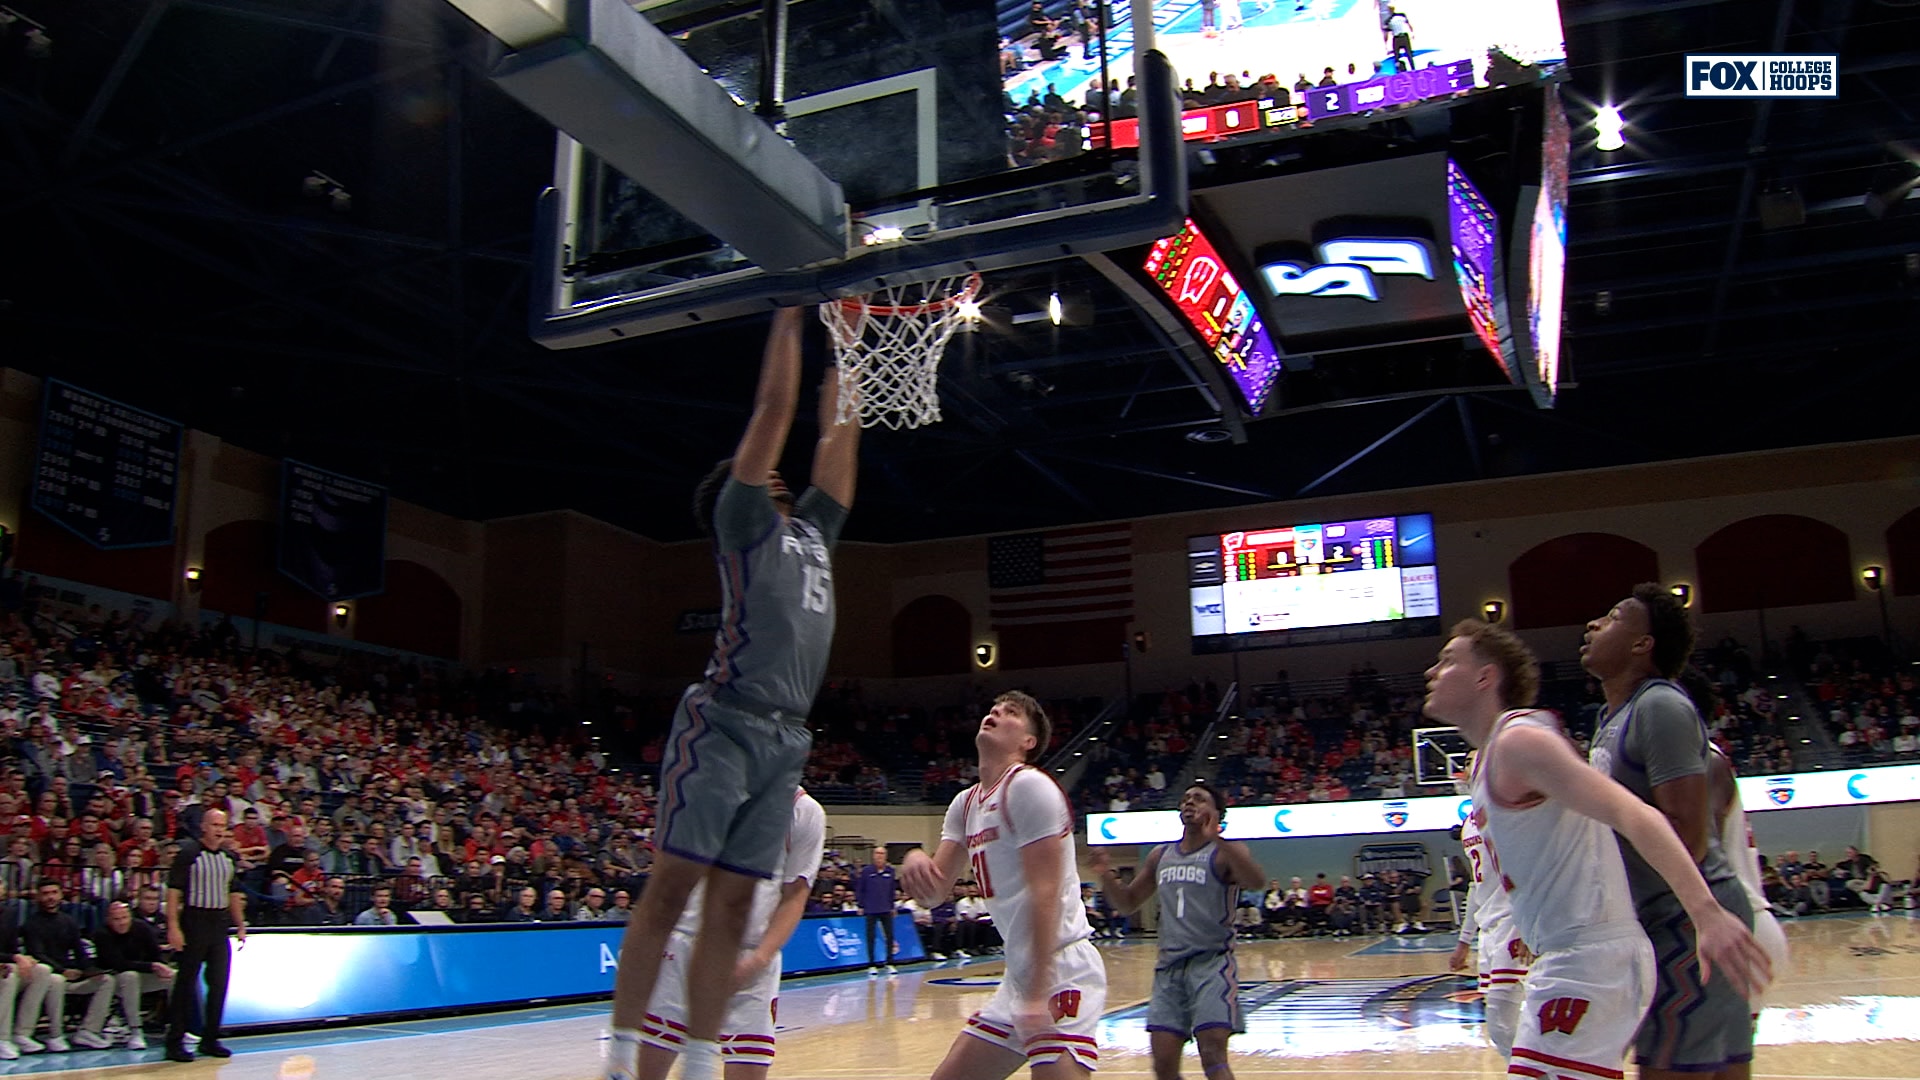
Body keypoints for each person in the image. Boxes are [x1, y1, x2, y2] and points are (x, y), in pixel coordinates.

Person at [606, 307, 856, 1080]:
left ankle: (705, 1058)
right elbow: (774, 413)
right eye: (764, 470)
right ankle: (619, 1057)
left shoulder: (814, 530)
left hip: (788, 740)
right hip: (725, 721)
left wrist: (844, 346)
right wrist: (789, 311)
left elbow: (835, 438)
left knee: (731, 904)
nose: (777, 473)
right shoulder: (741, 517)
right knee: (676, 882)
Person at [1423, 619, 1769, 1080]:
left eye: (1448, 662)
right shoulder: (1495, 754)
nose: (1433, 671)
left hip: (1592, 961)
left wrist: (1705, 913)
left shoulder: (1519, 742)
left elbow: (1635, 814)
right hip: (1573, 955)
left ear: (1486, 677)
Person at [1583, 586, 1760, 1078]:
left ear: (1643, 644)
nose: (1594, 624)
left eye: (1613, 617)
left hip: (1686, 921)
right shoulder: (1610, 717)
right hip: (1675, 917)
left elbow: (1689, 837)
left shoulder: (1659, 706)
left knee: (1669, 1067)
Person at [901, 691, 1104, 1079]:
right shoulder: (965, 803)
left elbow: (1045, 893)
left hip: (1060, 963)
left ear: (1028, 742)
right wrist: (914, 860)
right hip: (1021, 971)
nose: (994, 713)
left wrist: (1036, 990)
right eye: (994, 709)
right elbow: (934, 893)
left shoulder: (1029, 786)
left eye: (1010, 713)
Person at [637, 788, 825, 1079]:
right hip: (685, 941)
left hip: (752, 954)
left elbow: (795, 896)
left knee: (748, 1067)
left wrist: (759, 959)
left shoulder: (804, 811)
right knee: (649, 1068)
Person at [1089, 782, 1262, 1080]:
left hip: (1212, 964)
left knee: (1212, 1054)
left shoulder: (1226, 852)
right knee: (1164, 1066)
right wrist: (1105, 875)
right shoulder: (1161, 855)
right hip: (1168, 969)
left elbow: (1256, 881)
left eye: (1198, 798)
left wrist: (1217, 839)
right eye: (1185, 798)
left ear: (1217, 812)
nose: (1189, 803)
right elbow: (1128, 903)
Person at [1451, 759, 1529, 1056]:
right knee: (1500, 1026)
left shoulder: (1505, 809)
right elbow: (1476, 886)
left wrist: (1527, 922)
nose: (1466, 766)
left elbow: (1525, 869)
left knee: (1507, 1016)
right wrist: (1463, 941)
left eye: (1472, 759)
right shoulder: (1469, 822)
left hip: (1513, 919)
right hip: (1489, 927)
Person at [165, 807, 246, 1062]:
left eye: (222, 825)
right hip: (194, 921)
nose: (219, 829)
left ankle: (211, 1038)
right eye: (214, 824)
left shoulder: (228, 857)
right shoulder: (188, 853)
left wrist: (240, 924)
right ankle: (175, 1041)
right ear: (203, 826)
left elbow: (232, 893)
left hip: (219, 923)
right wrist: (173, 927)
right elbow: (173, 892)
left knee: (219, 983)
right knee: (186, 983)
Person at [87, 901, 172, 1051]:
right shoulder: (102, 934)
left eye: (124, 918)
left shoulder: (142, 928)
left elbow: (155, 955)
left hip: (140, 977)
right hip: (113, 982)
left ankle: (177, 1027)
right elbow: (119, 964)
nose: (121, 923)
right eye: (116, 919)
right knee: (129, 976)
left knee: (175, 976)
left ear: (130, 917)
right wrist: (151, 966)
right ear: (109, 920)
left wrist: (161, 967)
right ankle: (135, 1031)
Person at [856, 847, 901, 975]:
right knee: (871, 936)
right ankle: (871, 964)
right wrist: (860, 905)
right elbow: (861, 889)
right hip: (871, 908)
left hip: (886, 908)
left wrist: (892, 906)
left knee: (889, 936)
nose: (879, 856)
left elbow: (892, 891)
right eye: (877, 853)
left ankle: (890, 962)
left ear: (886, 856)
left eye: (882, 853)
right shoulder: (866, 871)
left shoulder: (890, 871)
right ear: (873, 856)